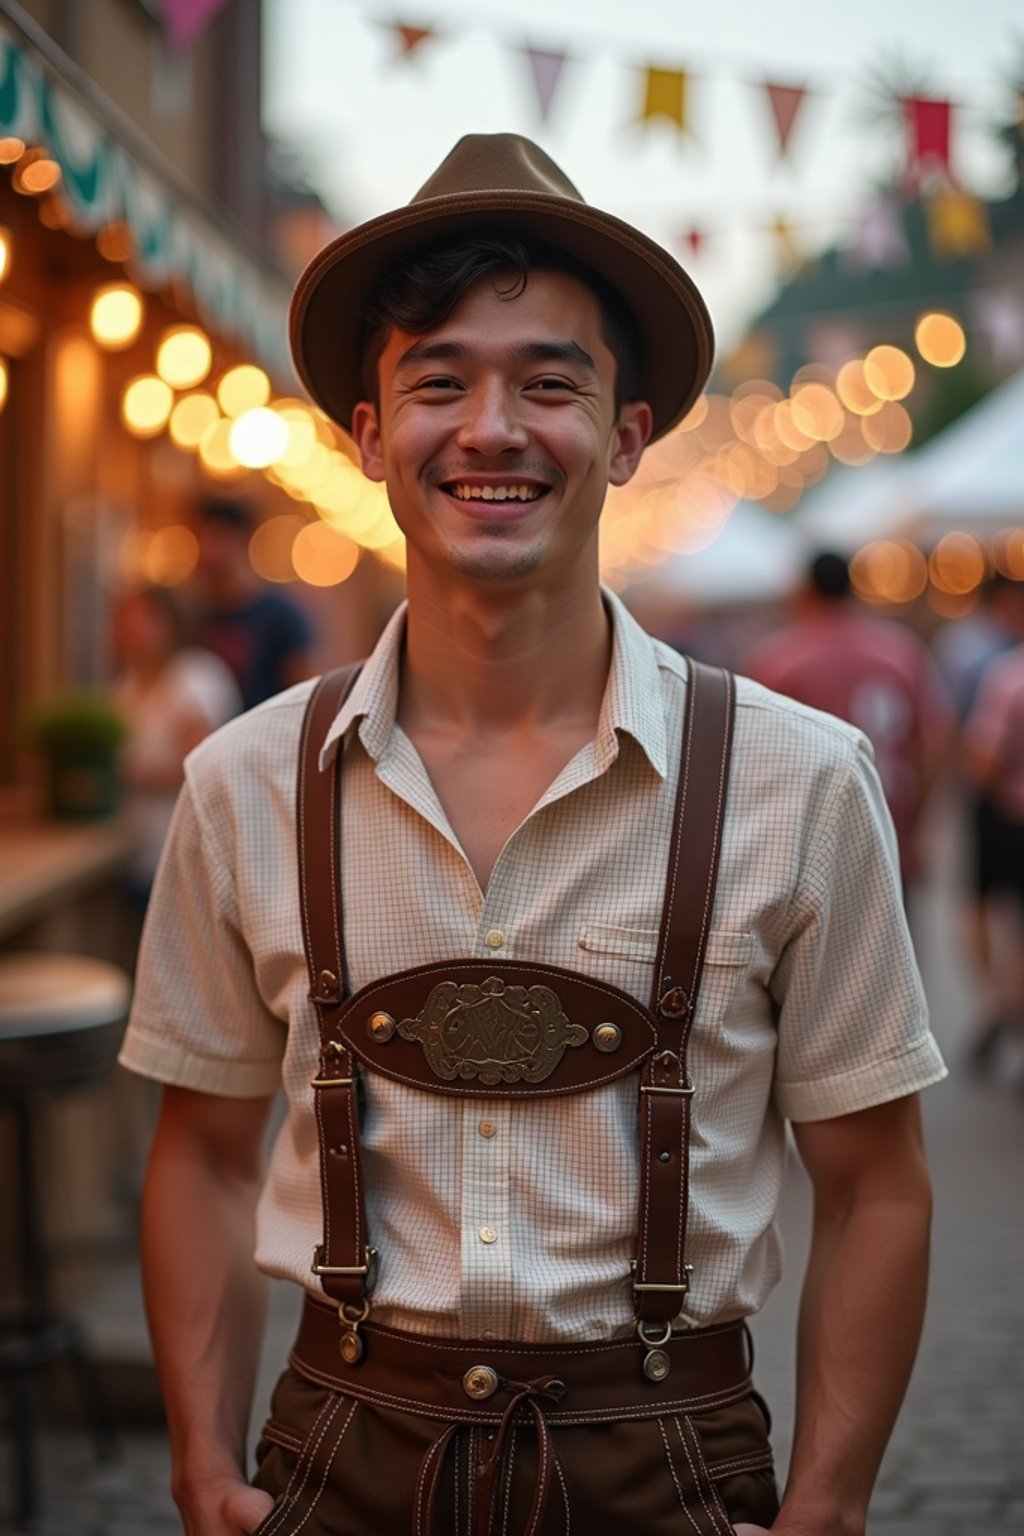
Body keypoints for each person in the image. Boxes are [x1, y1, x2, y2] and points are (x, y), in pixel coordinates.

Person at [121, 135, 946, 1536]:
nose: (492, 428)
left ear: (626, 436)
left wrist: (829, 1510)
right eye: (438, 380)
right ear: (372, 434)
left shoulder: (803, 784)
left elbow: (876, 1186)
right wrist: (205, 1471)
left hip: (667, 1457)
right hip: (340, 1455)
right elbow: (197, 1152)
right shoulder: (243, 783)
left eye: (551, 383)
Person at [745, 550, 951, 892]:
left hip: (809, 840)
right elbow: (936, 740)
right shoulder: (900, 650)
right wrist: (917, 819)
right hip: (890, 820)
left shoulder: (778, 661)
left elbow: (756, 758)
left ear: (806, 591)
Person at [111, 584, 241, 911]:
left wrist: (125, 773)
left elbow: (195, 768)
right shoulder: (125, 686)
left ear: (171, 623)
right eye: (126, 623)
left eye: (145, 620)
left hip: (182, 851)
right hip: (132, 849)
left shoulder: (196, 677)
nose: (134, 632)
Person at [962, 585, 1024, 1076]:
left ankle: (1003, 1008)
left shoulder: (1008, 677)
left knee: (988, 912)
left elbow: (983, 761)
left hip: (1008, 816)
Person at [192, 496, 316, 709]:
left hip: (266, 734)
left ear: (241, 539)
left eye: (216, 537)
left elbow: (301, 691)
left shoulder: (280, 614)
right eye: (200, 538)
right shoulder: (195, 614)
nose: (207, 550)